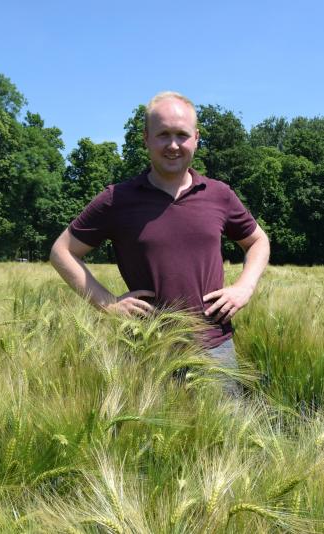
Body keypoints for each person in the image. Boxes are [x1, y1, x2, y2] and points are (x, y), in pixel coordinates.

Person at [49, 91, 270, 392]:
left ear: (196, 138)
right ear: (146, 138)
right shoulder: (117, 199)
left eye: (182, 135)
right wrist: (108, 304)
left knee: (224, 424)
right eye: (163, 134)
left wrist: (245, 287)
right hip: (145, 350)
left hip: (215, 350)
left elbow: (258, 241)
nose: (173, 145)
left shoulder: (219, 194)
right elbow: (62, 251)